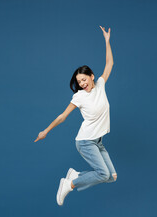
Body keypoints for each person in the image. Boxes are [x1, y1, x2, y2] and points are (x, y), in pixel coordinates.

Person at [34, 26, 117, 206]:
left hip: (98, 141)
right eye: (79, 82)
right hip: (86, 141)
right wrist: (46, 130)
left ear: (92, 77)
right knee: (103, 174)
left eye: (84, 79)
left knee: (111, 177)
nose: (82, 83)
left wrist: (107, 40)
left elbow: (109, 64)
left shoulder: (101, 84)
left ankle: (77, 175)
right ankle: (69, 184)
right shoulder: (79, 97)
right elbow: (62, 116)